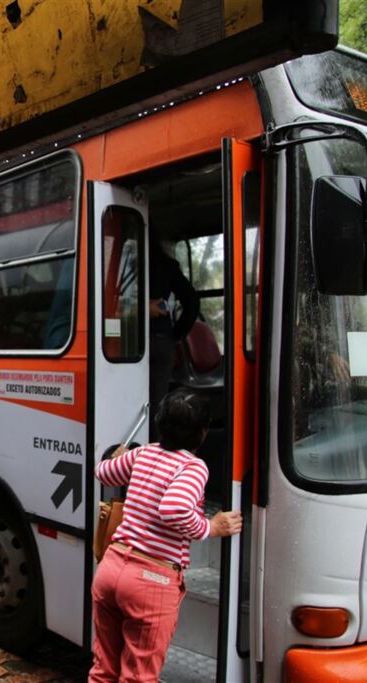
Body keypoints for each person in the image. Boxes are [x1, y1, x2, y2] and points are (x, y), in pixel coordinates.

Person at [90, 391, 242, 682]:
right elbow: (174, 508)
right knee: (138, 676)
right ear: (203, 432)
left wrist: (118, 457)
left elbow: (103, 473)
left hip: (111, 569)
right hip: (151, 581)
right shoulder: (192, 467)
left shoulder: (143, 453)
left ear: (160, 423)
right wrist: (212, 527)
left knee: (103, 670)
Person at [149, 242, 199, 437]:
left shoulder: (123, 262)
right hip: (162, 340)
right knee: (157, 406)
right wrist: (175, 335)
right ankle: (157, 453)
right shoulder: (166, 265)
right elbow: (192, 301)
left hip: (124, 342)